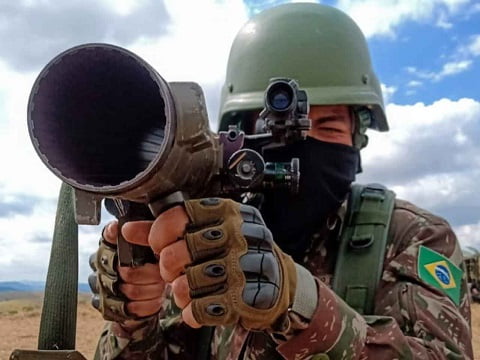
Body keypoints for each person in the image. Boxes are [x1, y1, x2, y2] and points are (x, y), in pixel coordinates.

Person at [90, 3, 473, 359]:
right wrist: (135, 318)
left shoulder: (414, 237)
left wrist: (298, 302)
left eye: (329, 125)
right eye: (275, 129)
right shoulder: (205, 239)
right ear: (238, 136)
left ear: (358, 141)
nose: (305, 144)